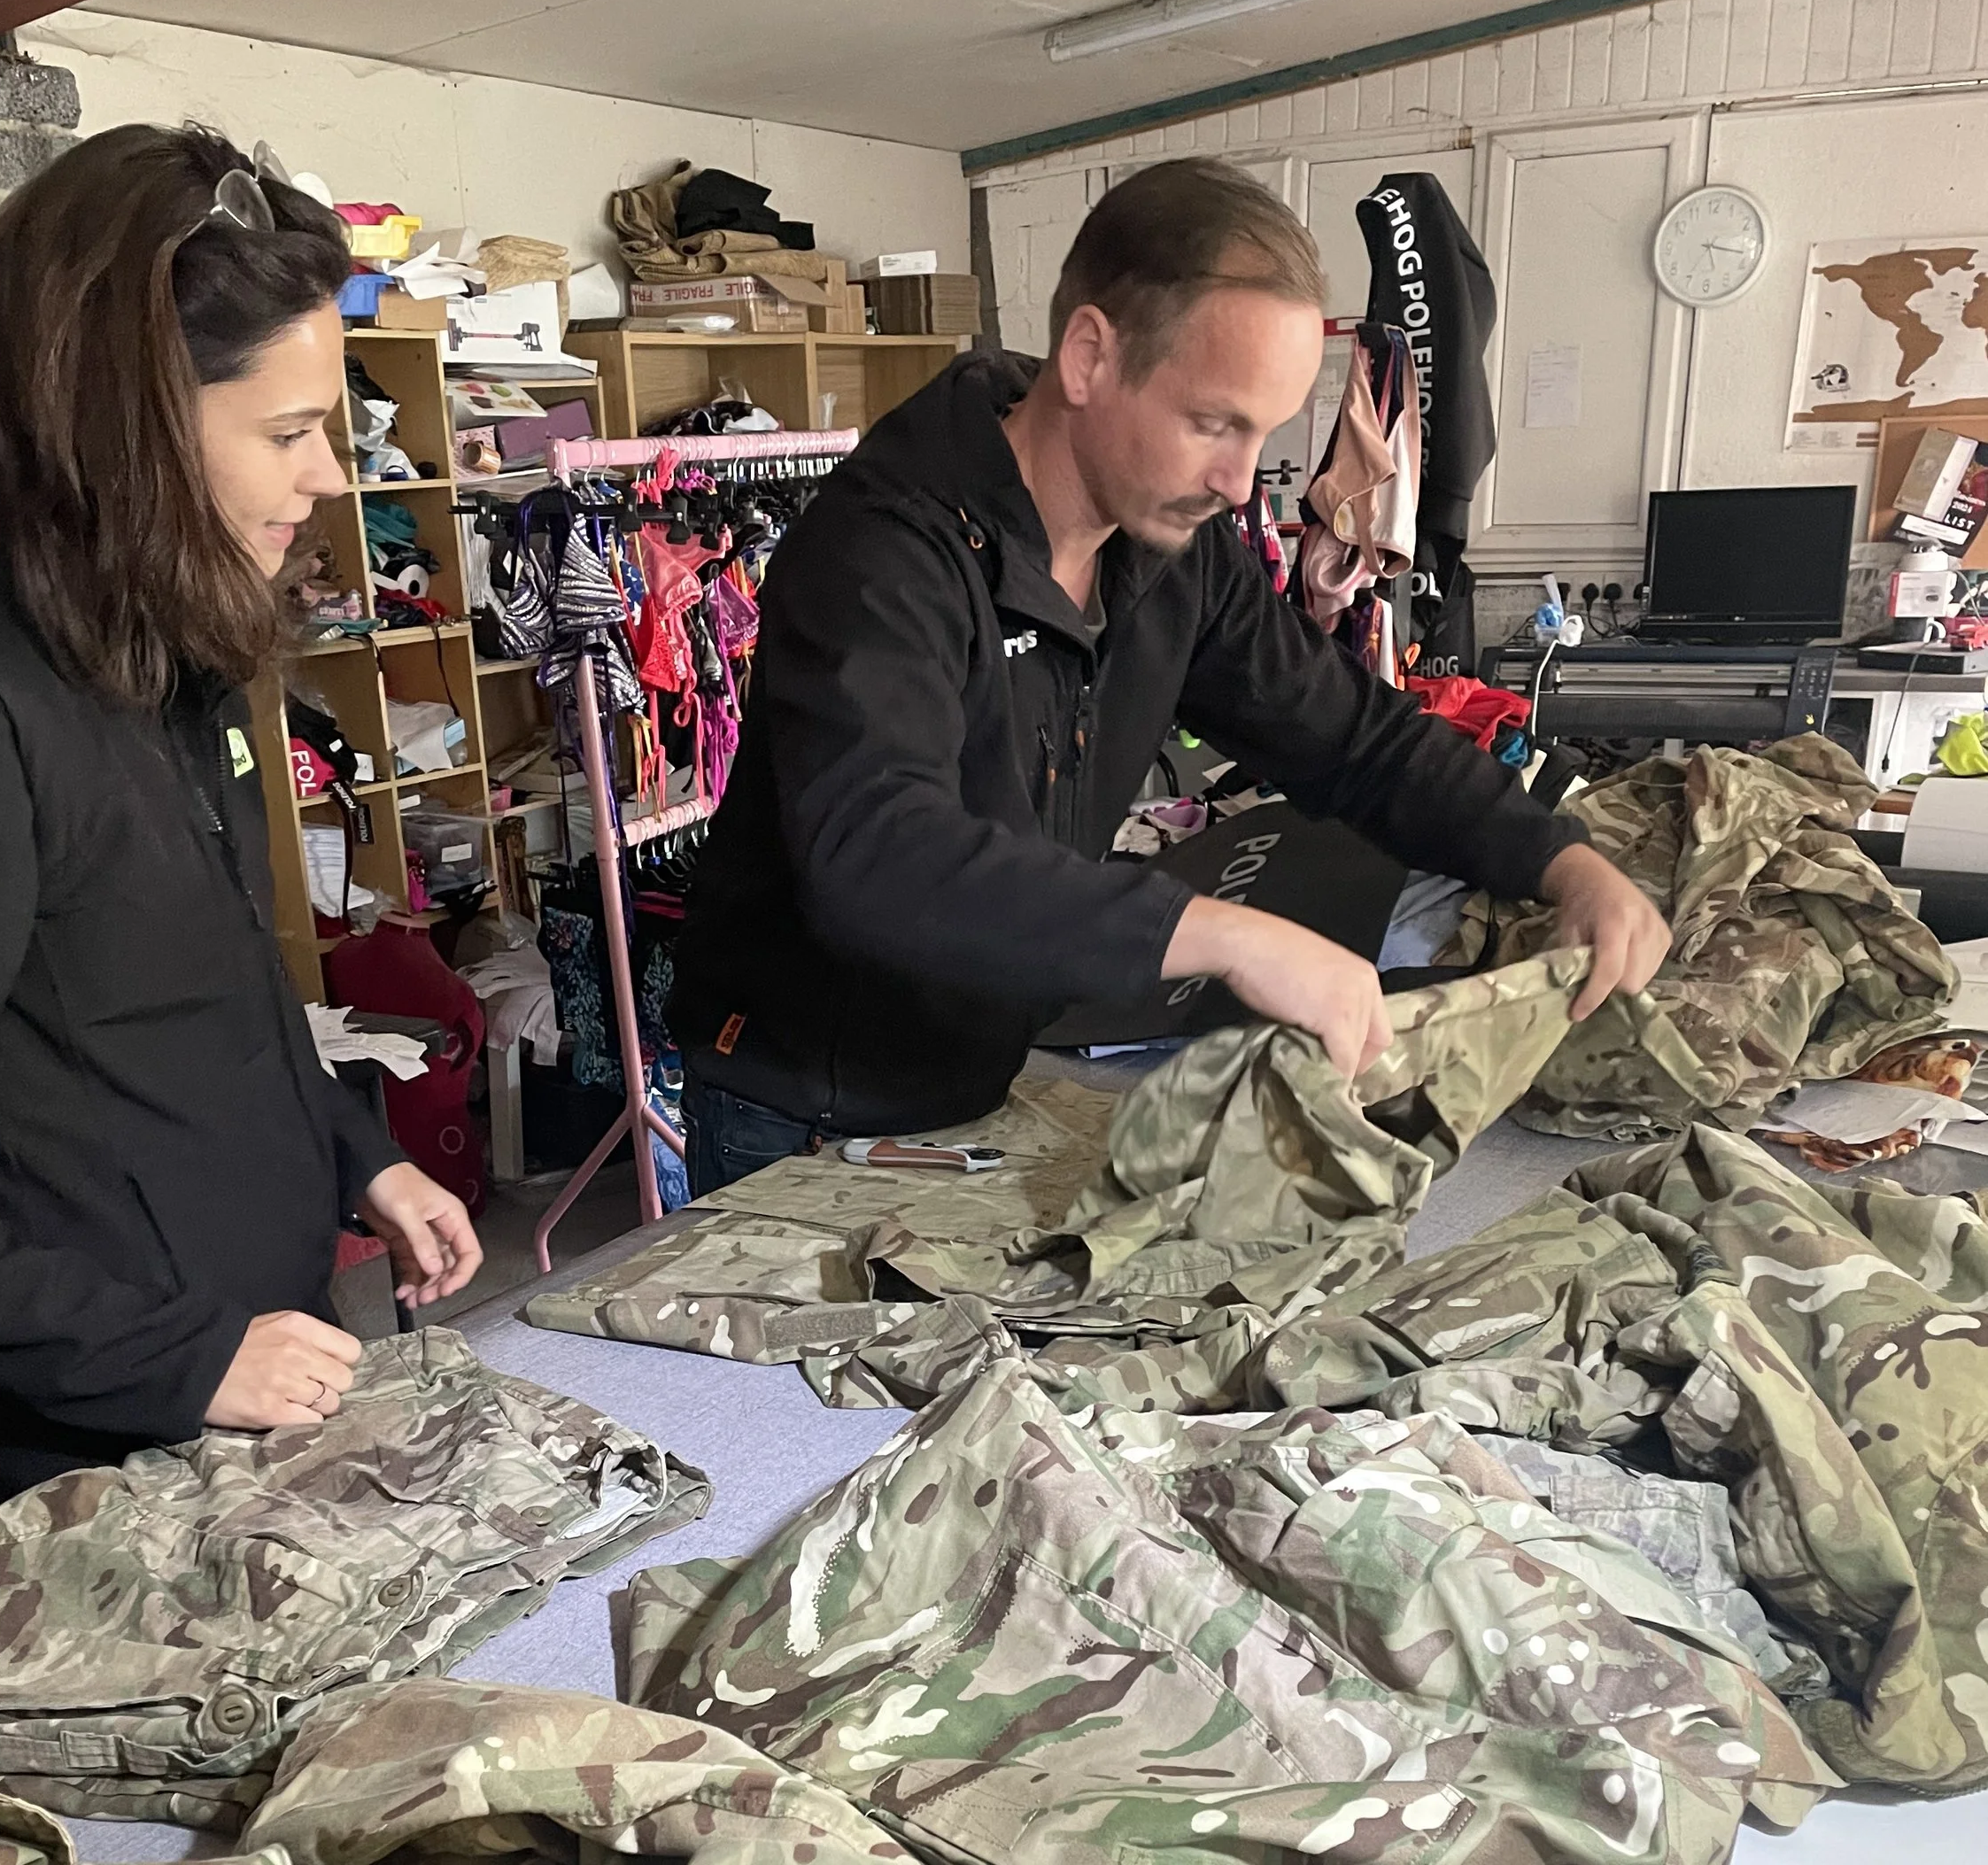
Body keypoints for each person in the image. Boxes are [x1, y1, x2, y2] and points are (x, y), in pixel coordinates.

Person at [671, 159, 1669, 1195]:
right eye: (1213, 423)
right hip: (803, 1105)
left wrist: (1560, 862)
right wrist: (1222, 938)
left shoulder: (1167, 554)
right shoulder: (883, 552)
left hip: (992, 1068)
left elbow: (1353, 740)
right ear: (1091, 355)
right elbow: (878, 852)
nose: (1240, 481)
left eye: (1264, 434)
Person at [0, 123, 481, 1507]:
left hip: (258, 1363)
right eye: (285, 432)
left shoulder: (155, 646)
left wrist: (359, 1159)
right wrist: (172, 1355)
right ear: (134, 429)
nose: (328, 475)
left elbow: (206, 990)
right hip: (112, 1432)